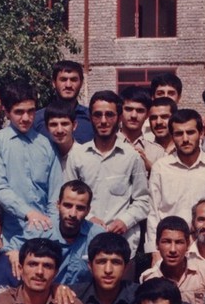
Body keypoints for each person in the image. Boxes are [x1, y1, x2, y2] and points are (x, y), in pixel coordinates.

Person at [64, 90, 149, 262]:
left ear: (119, 118)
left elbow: (143, 200)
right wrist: (89, 218)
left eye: (109, 115)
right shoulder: (77, 156)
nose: (103, 121)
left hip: (123, 243)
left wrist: (124, 221)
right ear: (90, 118)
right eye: (98, 115)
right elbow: (68, 199)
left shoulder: (131, 156)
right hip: (84, 243)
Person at [0, 81, 63, 243]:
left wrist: (52, 226)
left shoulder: (46, 144)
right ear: (6, 112)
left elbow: (55, 192)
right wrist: (28, 213)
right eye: (19, 112)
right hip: (12, 235)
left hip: (46, 232)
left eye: (30, 111)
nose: (26, 118)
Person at [145, 109, 205, 256]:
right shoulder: (161, 167)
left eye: (190, 132)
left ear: (201, 133)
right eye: (179, 134)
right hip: (171, 248)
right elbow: (153, 213)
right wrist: (154, 251)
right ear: (172, 136)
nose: (185, 139)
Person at [6, 180, 105, 286]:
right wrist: (13, 253)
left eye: (80, 208)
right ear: (58, 205)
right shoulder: (41, 229)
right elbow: (9, 250)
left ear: (88, 210)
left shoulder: (98, 236)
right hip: (45, 293)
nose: (73, 213)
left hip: (82, 294)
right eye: (68, 205)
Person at [141, 216, 205, 304]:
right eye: (166, 242)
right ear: (157, 244)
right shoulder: (149, 279)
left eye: (179, 242)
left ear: (188, 245)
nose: (173, 249)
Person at [34, 60, 93, 143]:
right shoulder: (37, 119)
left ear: (81, 83)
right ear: (54, 83)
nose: (68, 85)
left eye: (73, 80)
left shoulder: (92, 118)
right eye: (63, 79)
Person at [118, 86, 164, 173]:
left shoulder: (158, 152)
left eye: (140, 110)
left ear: (147, 115)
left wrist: (150, 168)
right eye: (128, 109)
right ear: (120, 111)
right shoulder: (107, 147)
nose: (134, 115)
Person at [44, 100, 81, 170]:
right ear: (47, 128)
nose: (59, 130)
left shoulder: (83, 156)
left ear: (74, 125)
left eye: (64, 124)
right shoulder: (44, 156)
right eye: (54, 124)